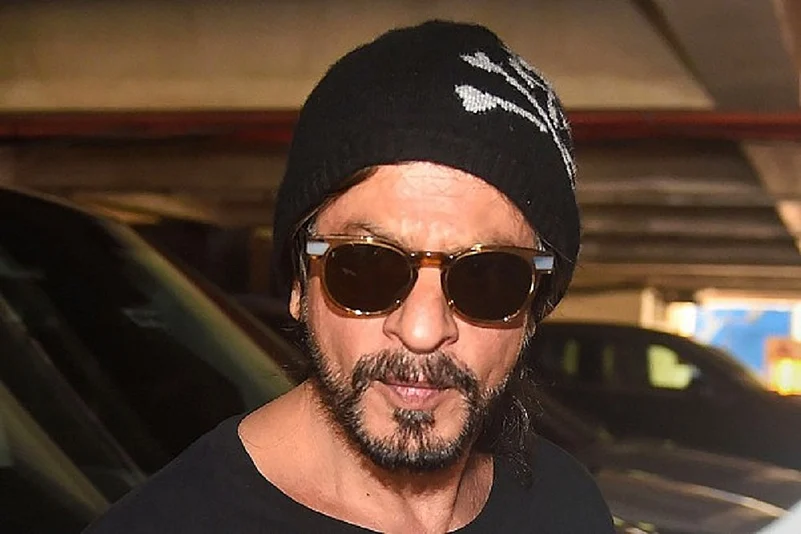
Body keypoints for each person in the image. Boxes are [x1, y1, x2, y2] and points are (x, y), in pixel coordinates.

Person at [84, 20, 614, 533]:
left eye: (487, 279)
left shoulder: (566, 506)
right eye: (366, 268)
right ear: (300, 282)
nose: (422, 330)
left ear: (534, 307)